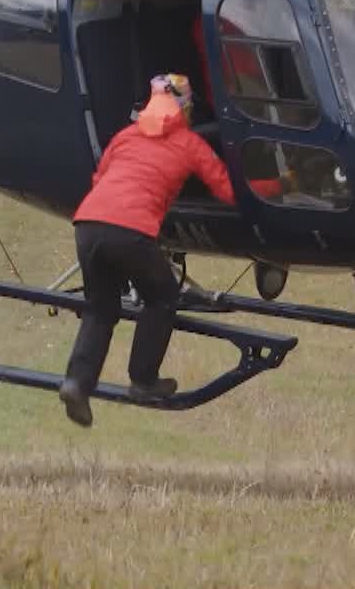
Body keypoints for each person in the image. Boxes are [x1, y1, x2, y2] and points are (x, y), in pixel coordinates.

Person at [59, 73, 236, 428]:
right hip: (131, 231)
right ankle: (143, 380)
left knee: (100, 308)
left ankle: (77, 382)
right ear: (185, 109)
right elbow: (227, 190)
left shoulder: (125, 136)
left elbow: (101, 179)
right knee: (163, 296)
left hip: (88, 224)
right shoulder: (190, 143)